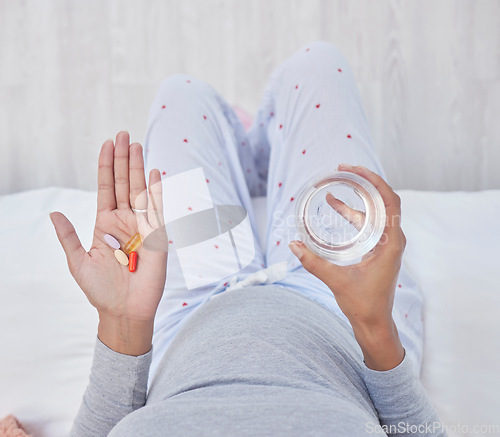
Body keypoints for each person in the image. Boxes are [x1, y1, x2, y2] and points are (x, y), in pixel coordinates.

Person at [50, 41, 446, 436]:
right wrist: (373, 321)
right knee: (318, 66)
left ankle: (246, 162)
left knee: (182, 95)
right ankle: (263, 160)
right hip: (344, 312)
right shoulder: (361, 316)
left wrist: (125, 323)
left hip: (189, 316)